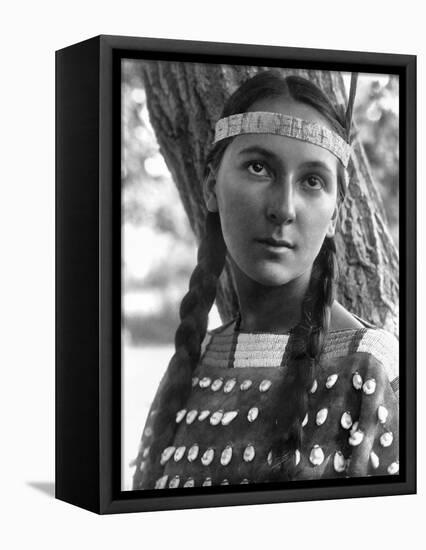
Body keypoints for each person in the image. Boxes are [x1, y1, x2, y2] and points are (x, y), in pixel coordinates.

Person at [132, 70, 399, 491]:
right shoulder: (192, 361)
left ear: (335, 216)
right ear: (210, 188)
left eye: (312, 181)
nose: (283, 207)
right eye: (259, 167)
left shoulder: (370, 368)